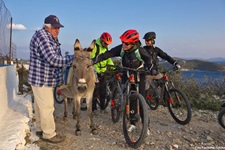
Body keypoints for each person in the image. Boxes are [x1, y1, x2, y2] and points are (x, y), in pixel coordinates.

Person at [93, 29, 152, 131]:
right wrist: (94, 60)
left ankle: (145, 125)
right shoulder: (121, 49)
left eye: (126, 43)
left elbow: (148, 60)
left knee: (141, 99)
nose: (123, 45)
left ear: (133, 44)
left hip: (139, 75)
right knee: (130, 98)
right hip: (127, 74)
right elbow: (108, 54)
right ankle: (132, 123)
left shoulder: (139, 50)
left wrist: (150, 68)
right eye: (122, 42)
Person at [28, 15, 72, 143]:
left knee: (40, 105)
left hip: (42, 78)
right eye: (54, 28)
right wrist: (72, 59)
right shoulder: (43, 37)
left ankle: (40, 129)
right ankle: (49, 134)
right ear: (47, 27)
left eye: (58, 28)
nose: (57, 30)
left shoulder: (50, 37)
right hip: (41, 79)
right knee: (47, 107)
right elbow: (53, 59)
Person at [90, 32, 114, 113]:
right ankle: (93, 109)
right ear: (101, 40)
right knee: (95, 91)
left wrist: (113, 66)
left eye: (108, 44)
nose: (107, 45)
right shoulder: (95, 47)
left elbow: (108, 59)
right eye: (106, 43)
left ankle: (102, 107)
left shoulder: (106, 48)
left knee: (103, 91)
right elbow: (91, 58)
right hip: (95, 71)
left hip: (103, 71)